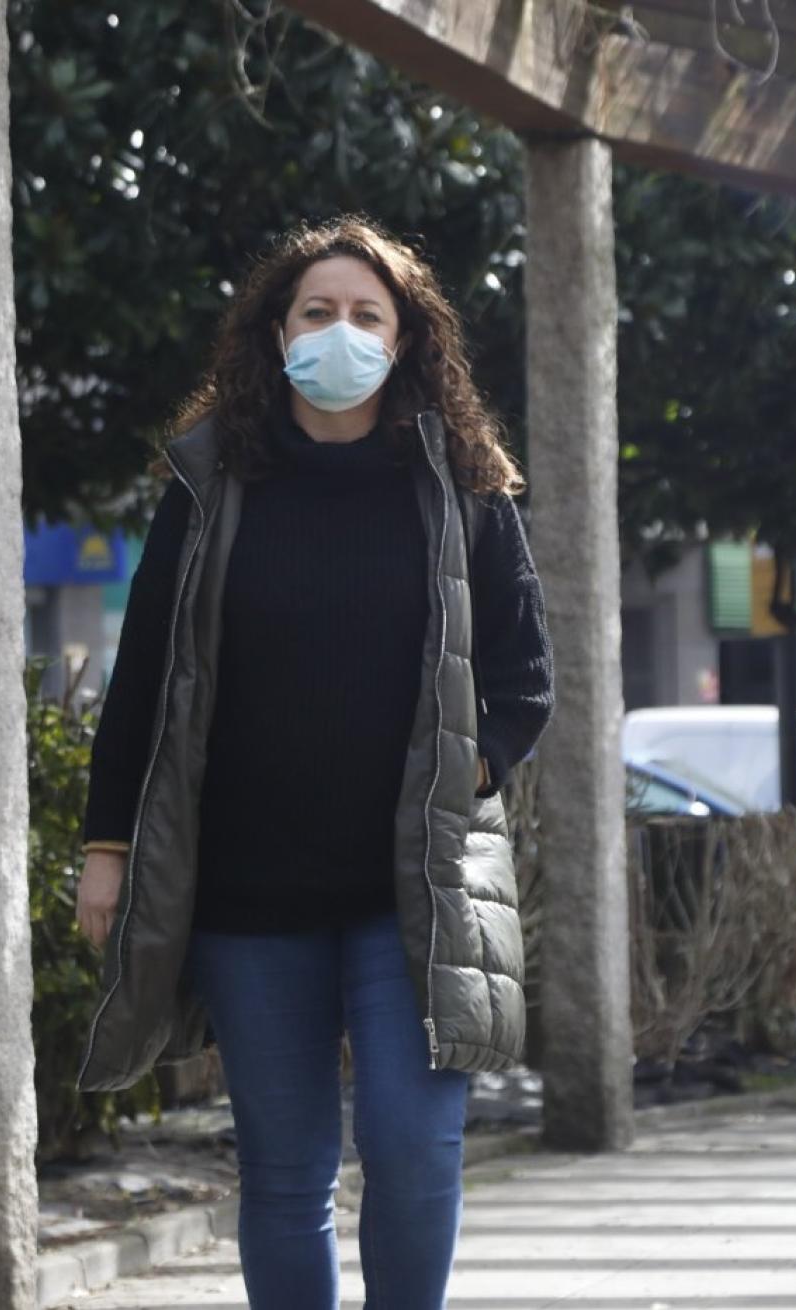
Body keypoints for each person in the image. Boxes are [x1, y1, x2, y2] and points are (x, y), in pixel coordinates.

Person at [73, 216, 555, 1310]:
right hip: (250, 893)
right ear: (275, 333)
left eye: (366, 314)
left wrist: (465, 771)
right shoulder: (208, 489)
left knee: (414, 1146)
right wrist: (107, 847)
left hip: (414, 891)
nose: (340, 332)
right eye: (317, 312)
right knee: (286, 1170)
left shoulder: (463, 487)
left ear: (407, 339)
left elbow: (527, 678)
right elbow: (142, 679)